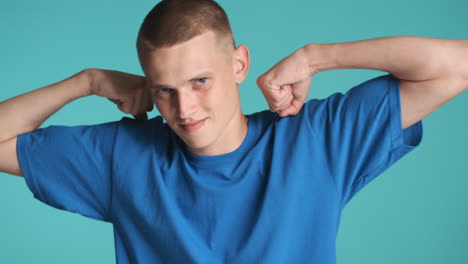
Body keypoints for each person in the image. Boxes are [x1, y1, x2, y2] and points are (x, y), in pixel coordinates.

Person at [0, 0, 466, 263]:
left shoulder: (315, 140)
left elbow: (457, 66)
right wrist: (88, 82)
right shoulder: (122, 155)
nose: (184, 109)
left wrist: (318, 56)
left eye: (200, 81)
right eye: (164, 90)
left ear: (239, 64)